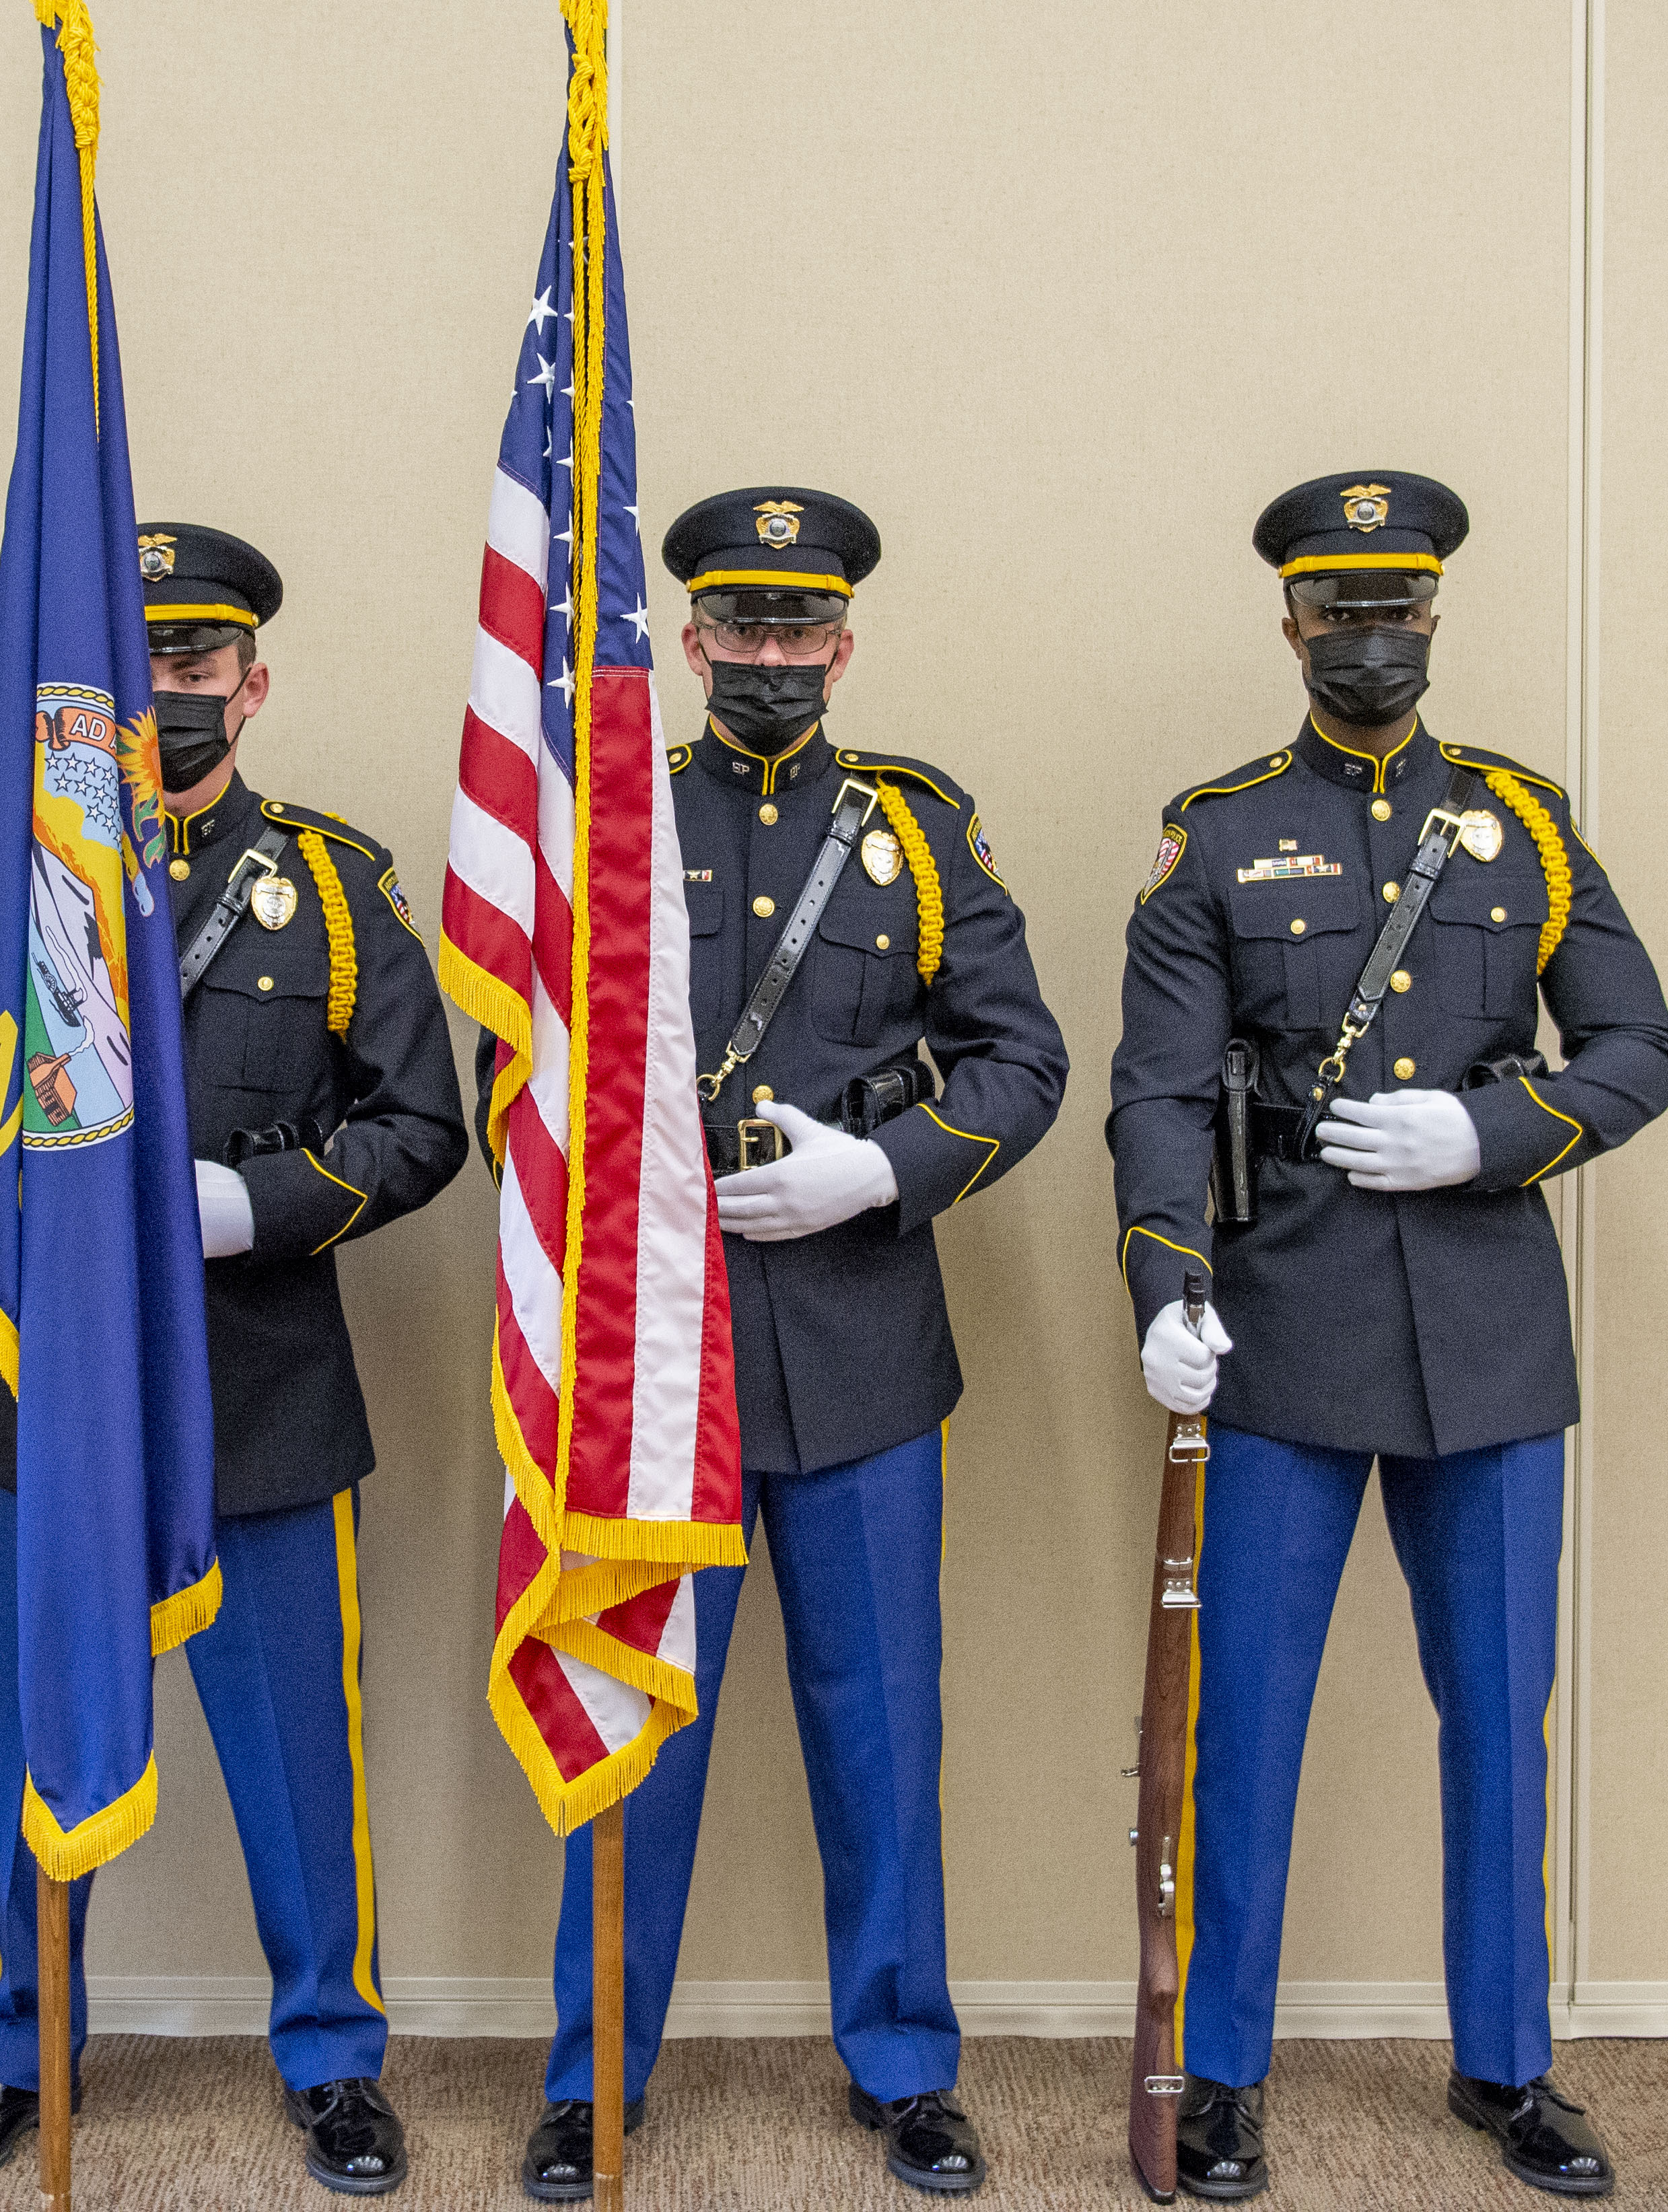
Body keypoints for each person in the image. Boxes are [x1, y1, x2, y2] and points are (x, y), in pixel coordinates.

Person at [1109, 472, 1668, 2201]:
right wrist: (1165, 1285)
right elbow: (1151, 1094)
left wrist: (1492, 1133)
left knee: (1500, 1714)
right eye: (1335, 612)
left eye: (1396, 610)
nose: (1367, 639)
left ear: (1431, 618)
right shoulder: (1212, 833)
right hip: (1284, 1318)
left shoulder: (1524, 821)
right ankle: (1218, 2074)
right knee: (1247, 1724)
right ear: (1289, 625)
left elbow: (1637, 1046)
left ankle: (1505, 2065)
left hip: (1492, 1329)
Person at [501, 488, 1068, 2201]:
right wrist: (630, 1187)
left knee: (881, 1725)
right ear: (686, 644)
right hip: (644, 1361)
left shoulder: (916, 835)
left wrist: (874, 1174)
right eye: (736, 630)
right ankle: (590, 2072)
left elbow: (1018, 1063)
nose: (766, 658)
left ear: (842, 642)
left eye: (796, 631)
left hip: (862, 1347)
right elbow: (514, 1077)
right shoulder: (611, 828)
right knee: (632, 1721)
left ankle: (903, 2063)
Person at [0, 524, 468, 2196]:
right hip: (71, 1397)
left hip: (265, 1391)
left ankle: (331, 2058)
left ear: (250, 681)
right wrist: (54, 1180)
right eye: (140, 661)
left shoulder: (338, 887)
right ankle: (20, 2045)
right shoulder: (25, 872)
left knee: (302, 1757)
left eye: (197, 663)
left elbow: (421, 1127)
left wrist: (254, 1203)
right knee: (44, 1741)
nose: (169, 690)